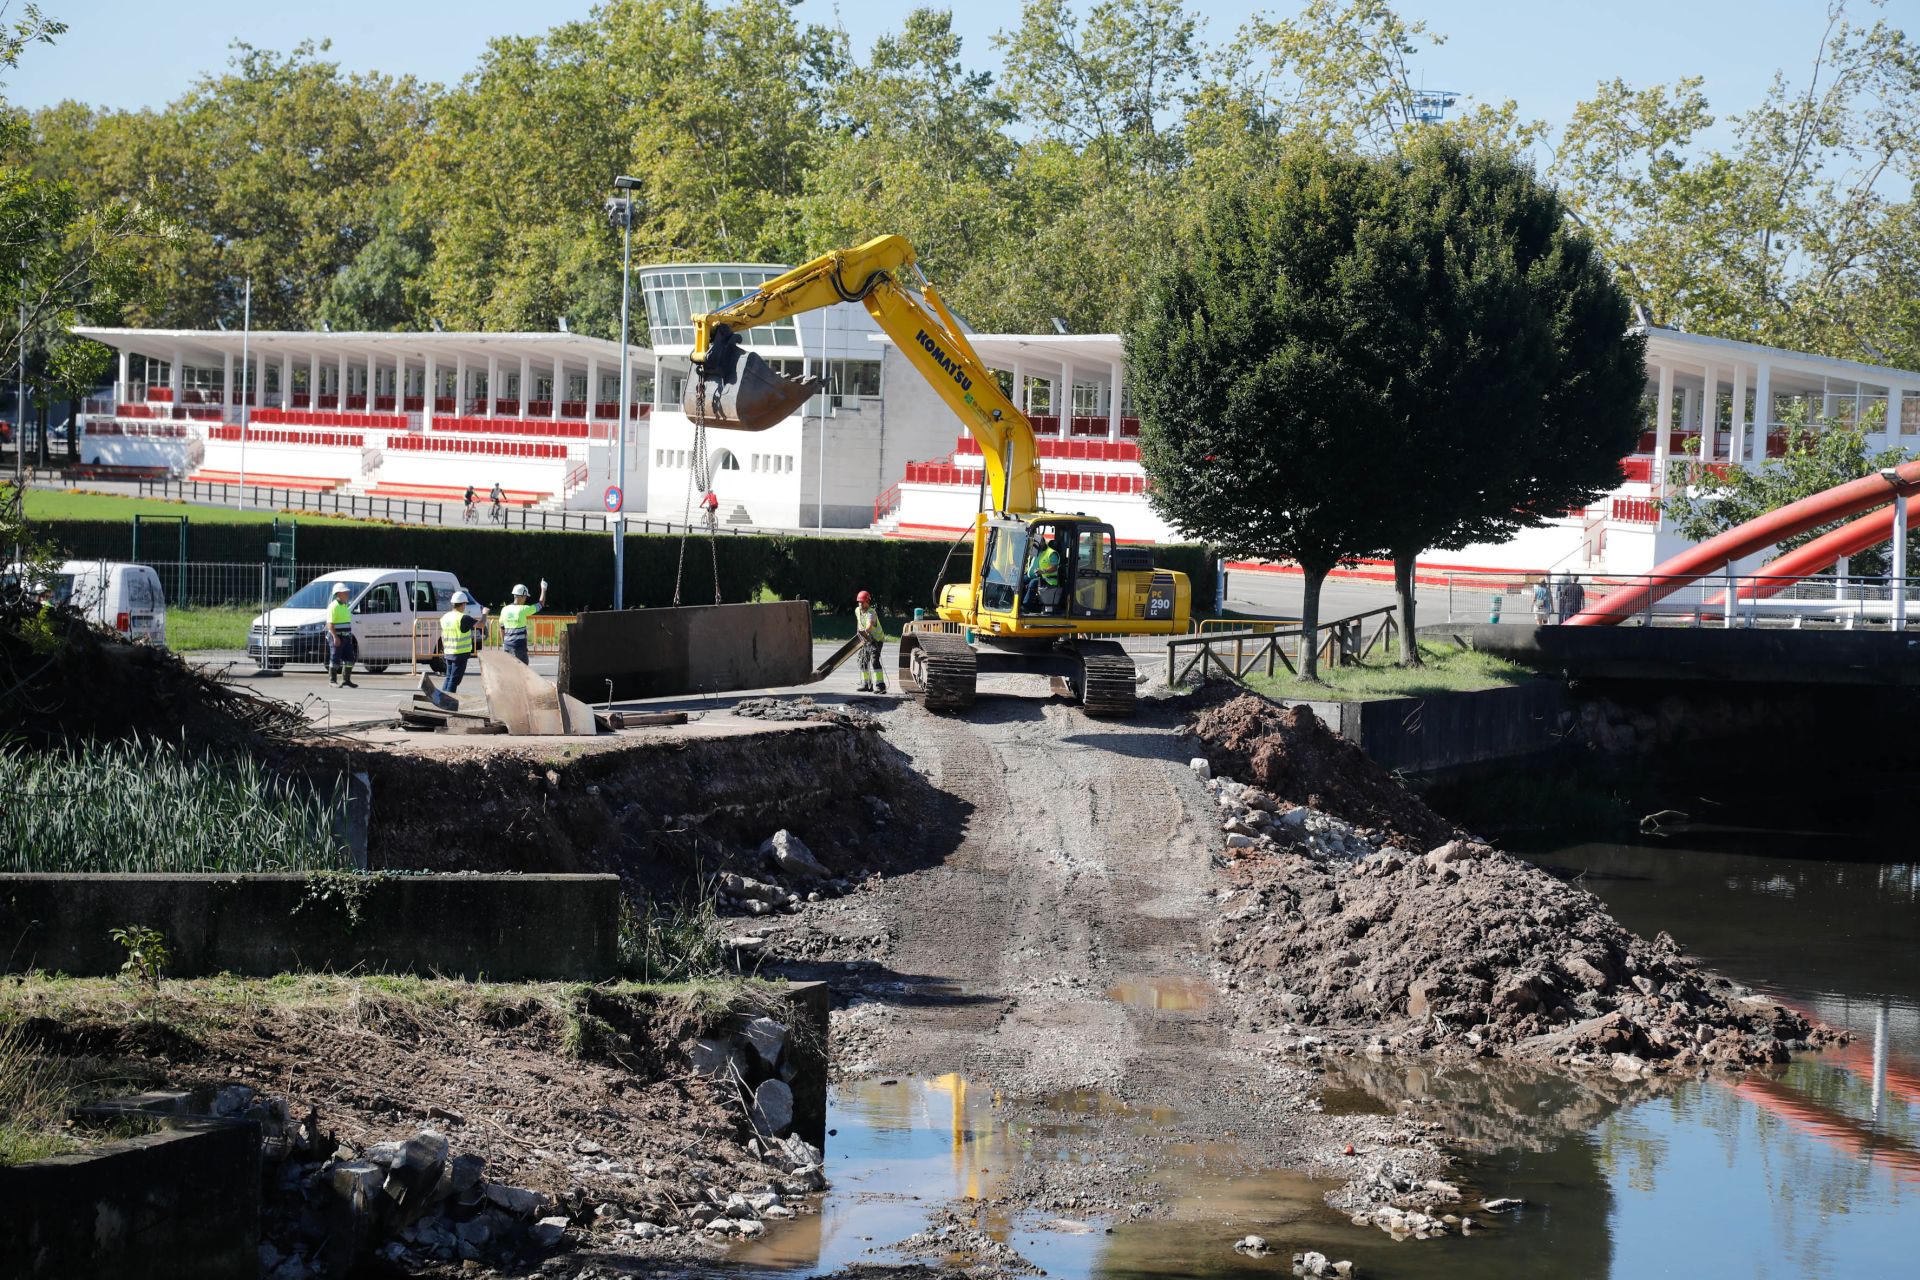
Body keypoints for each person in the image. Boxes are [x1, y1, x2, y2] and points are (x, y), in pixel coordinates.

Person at [439, 590, 481, 695]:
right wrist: (484, 614)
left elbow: (443, 635)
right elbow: (481, 625)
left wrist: (445, 649)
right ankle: (447, 702)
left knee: (449, 677)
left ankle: (442, 699)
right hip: (460, 654)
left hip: (448, 652)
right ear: (463, 604)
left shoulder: (445, 617)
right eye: (465, 604)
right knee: (454, 680)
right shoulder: (463, 618)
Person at [499, 579, 548, 664]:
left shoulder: (504, 609)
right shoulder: (523, 609)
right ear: (521, 596)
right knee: (522, 670)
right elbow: (541, 604)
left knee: (510, 668)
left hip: (507, 645)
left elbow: (501, 628)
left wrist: (504, 643)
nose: (525, 599)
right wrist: (543, 589)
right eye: (525, 596)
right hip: (519, 646)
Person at [325, 582, 358, 687]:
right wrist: (335, 637)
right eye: (345, 592)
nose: (348, 593)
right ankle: (332, 681)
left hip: (346, 636)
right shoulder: (333, 606)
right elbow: (330, 624)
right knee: (335, 658)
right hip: (337, 636)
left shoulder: (345, 605)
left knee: (350, 659)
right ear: (339, 593)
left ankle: (346, 680)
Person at [854, 589, 887, 694]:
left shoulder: (871, 612)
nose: (860, 604)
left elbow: (869, 624)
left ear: (868, 602)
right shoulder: (857, 611)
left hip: (876, 640)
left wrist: (865, 631)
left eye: (862, 602)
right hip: (865, 639)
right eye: (859, 602)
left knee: (874, 661)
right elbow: (859, 623)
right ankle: (866, 684)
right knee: (863, 660)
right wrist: (859, 635)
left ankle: (880, 685)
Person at [1025, 536, 1063, 613]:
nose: (1035, 546)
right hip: (1035, 576)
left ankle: (1026, 605)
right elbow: (1030, 564)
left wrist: (1043, 571)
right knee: (1020, 580)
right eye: (1034, 544)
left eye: (1038, 543)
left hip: (1048, 579)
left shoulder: (1051, 553)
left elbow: (1055, 567)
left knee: (1033, 583)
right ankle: (1017, 603)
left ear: (1042, 543)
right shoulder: (1035, 551)